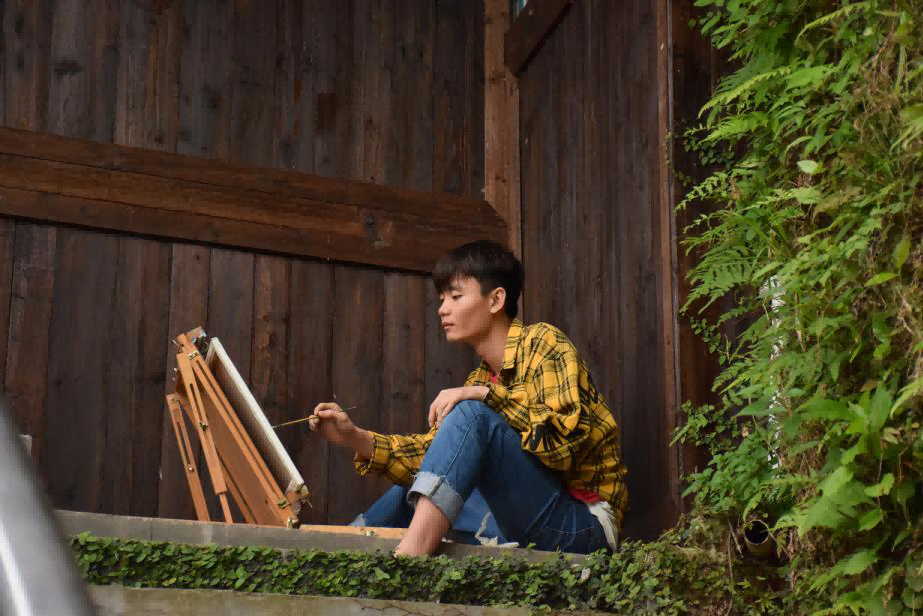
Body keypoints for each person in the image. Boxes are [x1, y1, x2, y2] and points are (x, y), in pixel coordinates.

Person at [310, 240, 627, 556]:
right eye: (442, 299)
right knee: (414, 487)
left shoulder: (544, 344)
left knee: (471, 414)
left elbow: (564, 446)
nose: (442, 309)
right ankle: (334, 557)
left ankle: (410, 557)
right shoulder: (479, 380)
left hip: (582, 524)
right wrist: (354, 437)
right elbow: (431, 461)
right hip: (520, 516)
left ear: (496, 300)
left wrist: (484, 396)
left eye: (456, 296)